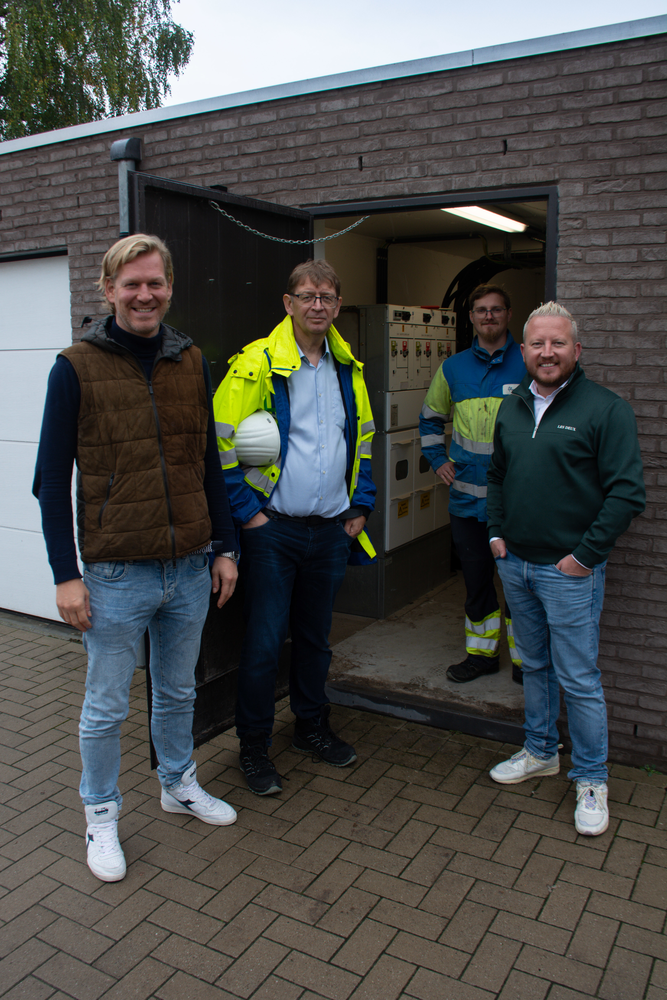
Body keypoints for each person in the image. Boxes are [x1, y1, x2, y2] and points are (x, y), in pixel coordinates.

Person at [33, 234, 240, 882]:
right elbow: (49, 480)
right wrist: (65, 575)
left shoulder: (191, 361)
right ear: (109, 290)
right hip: (116, 573)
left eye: (154, 283)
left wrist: (225, 545)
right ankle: (100, 814)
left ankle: (177, 783)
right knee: (106, 707)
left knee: (177, 690)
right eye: (131, 284)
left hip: (189, 567)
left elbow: (207, 462)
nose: (144, 295)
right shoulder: (75, 366)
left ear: (169, 288)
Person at [214, 259, 376, 796]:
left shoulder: (346, 367)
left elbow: (363, 441)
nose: (317, 305)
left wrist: (360, 506)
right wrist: (249, 514)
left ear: (337, 305)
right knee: (263, 644)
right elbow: (219, 441)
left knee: (315, 640)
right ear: (288, 303)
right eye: (307, 296)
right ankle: (254, 746)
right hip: (274, 531)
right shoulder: (257, 363)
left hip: (330, 530)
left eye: (327, 297)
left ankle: (310, 727)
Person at [486, 301, 645, 836]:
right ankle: (540, 751)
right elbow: (497, 475)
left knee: (578, 678)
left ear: (576, 349)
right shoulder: (512, 406)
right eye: (537, 343)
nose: (547, 352)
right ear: (524, 350)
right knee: (534, 665)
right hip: (517, 566)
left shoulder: (606, 409)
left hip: (569, 572)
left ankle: (592, 778)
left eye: (557, 343)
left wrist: (584, 557)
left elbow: (627, 494)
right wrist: (496, 533)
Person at [420, 284, 526, 684]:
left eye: (496, 309)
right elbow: (429, 418)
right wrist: (437, 461)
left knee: (520, 586)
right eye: (481, 310)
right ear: (471, 317)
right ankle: (481, 657)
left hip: (516, 502)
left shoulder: (528, 363)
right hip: (466, 502)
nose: (489, 316)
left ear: (509, 314)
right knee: (477, 582)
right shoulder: (453, 368)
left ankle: (526, 661)